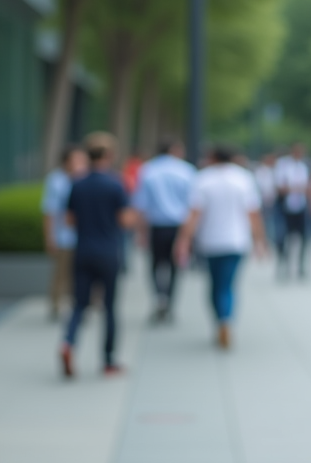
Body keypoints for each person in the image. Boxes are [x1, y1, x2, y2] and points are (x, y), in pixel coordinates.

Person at [175, 145, 266, 350]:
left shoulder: (203, 179)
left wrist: (183, 240)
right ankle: (226, 319)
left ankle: (220, 319)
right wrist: (260, 241)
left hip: (210, 241)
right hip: (237, 241)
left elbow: (194, 214)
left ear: (212, 157)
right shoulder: (243, 178)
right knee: (229, 284)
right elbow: (253, 213)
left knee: (215, 285)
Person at [61, 132, 135, 378]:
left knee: (79, 304)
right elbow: (124, 220)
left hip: (83, 250)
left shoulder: (77, 183)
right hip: (108, 251)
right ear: (109, 155)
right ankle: (108, 360)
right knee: (110, 307)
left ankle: (68, 343)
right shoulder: (115, 183)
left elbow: (69, 219)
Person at [133, 140, 196, 324]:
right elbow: (193, 204)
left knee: (155, 264)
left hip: (156, 225)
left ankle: (159, 297)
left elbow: (141, 204)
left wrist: (141, 231)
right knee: (175, 266)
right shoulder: (186, 170)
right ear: (174, 150)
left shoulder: (148, 170)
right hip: (179, 226)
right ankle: (170, 301)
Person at [41, 144, 89, 320]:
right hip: (63, 236)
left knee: (82, 276)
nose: (81, 163)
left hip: (84, 236)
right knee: (61, 274)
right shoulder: (56, 181)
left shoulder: (85, 179)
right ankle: (55, 306)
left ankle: (82, 305)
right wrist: (50, 237)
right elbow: (49, 211)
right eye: (77, 159)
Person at [274, 143, 311, 279]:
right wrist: (296, 188)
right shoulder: (283, 165)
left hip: (300, 207)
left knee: (304, 238)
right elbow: (281, 187)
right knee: (283, 237)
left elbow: (306, 188)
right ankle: (284, 266)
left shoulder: (303, 166)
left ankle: (301, 267)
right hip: (285, 207)